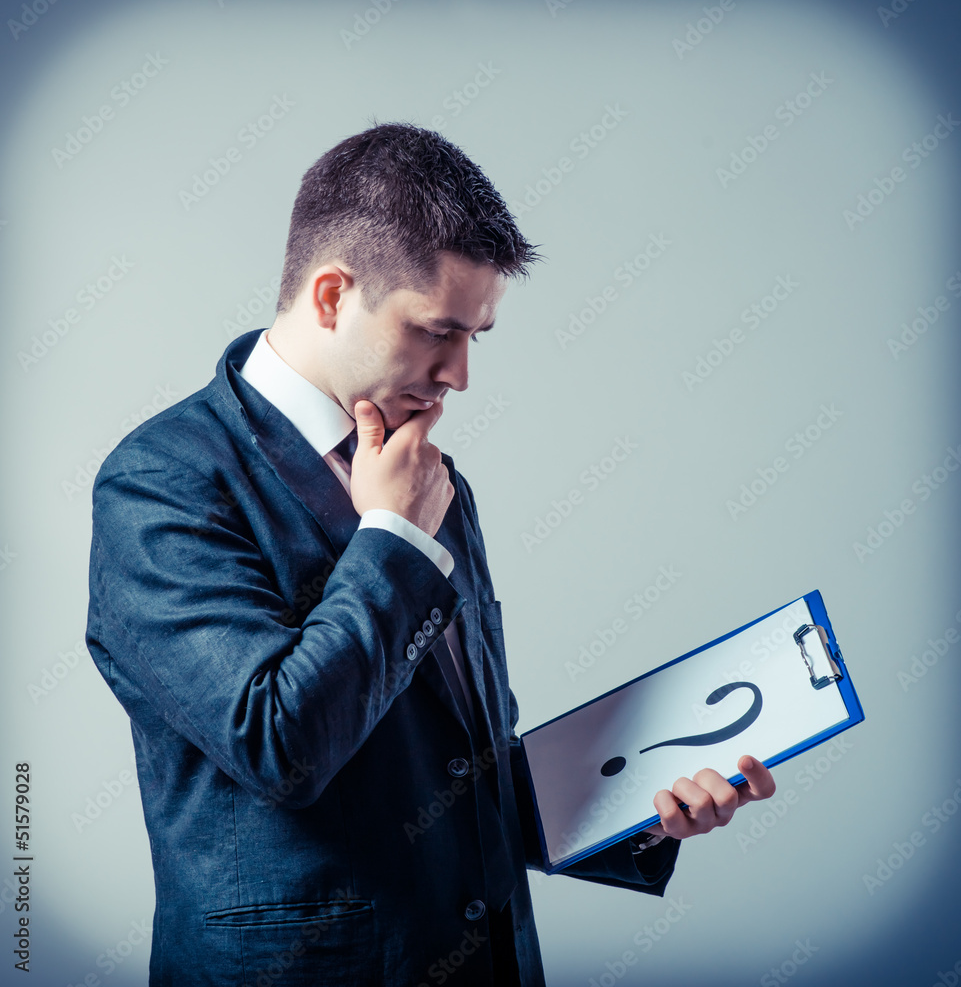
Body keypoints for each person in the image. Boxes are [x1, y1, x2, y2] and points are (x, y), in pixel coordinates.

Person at [85, 122, 775, 986]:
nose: (458, 375)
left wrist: (639, 807)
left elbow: (459, 769)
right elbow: (276, 744)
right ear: (332, 295)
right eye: (435, 331)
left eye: (474, 338)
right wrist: (395, 538)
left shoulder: (426, 476)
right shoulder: (162, 480)